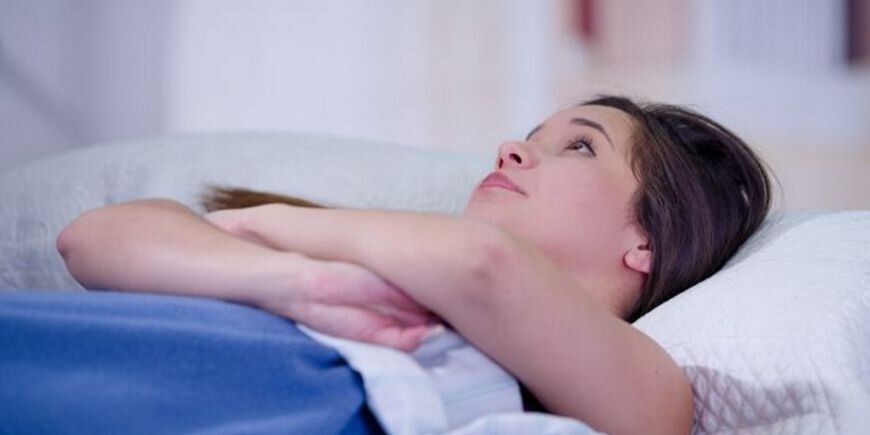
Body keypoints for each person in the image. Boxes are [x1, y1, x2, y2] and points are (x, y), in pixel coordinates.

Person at [53, 95, 772, 435]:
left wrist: (256, 227)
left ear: (648, 239)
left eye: (580, 146)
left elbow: (480, 261)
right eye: (532, 135)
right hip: (103, 365)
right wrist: (294, 282)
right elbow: (92, 237)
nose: (511, 149)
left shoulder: (651, 386)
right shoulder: (339, 254)